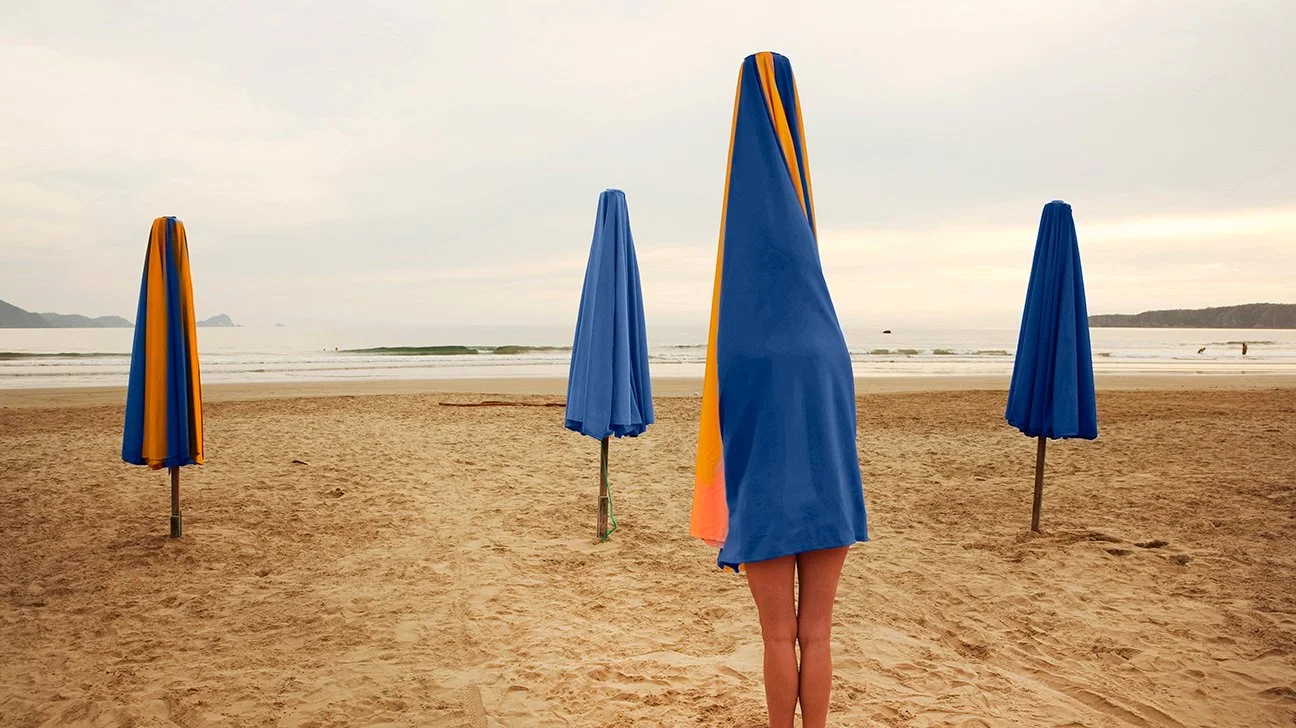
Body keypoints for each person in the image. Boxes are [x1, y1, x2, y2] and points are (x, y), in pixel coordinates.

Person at [690, 52, 868, 728]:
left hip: (765, 502)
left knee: (776, 635)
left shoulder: (743, 341)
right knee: (817, 633)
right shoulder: (831, 343)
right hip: (830, 499)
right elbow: (844, 431)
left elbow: (727, 426)